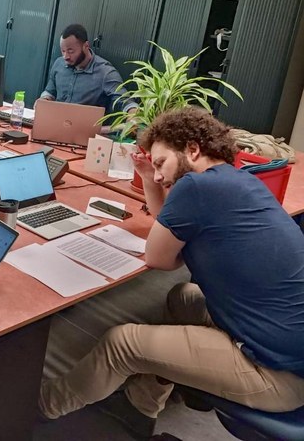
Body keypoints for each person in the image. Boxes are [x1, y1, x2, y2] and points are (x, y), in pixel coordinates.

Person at [38, 108, 304, 439]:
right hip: (285, 343)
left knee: (122, 343)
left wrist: (157, 187)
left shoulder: (195, 187)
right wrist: (150, 177)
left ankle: (42, 407)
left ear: (192, 150)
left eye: (162, 163)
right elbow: (173, 226)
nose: (161, 175)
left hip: (277, 373)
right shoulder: (236, 181)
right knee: (183, 297)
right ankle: (142, 404)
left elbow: (160, 257)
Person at [40, 23, 135, 114]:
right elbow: (50, 91)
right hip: (56, 122)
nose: (66, 56)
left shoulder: (105, 72)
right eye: (63, 51)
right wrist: (44, 100)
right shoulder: (59, 64)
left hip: (86, 128)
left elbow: (124, 100)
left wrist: (132, 112)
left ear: (86, 46)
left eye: (70, 51)